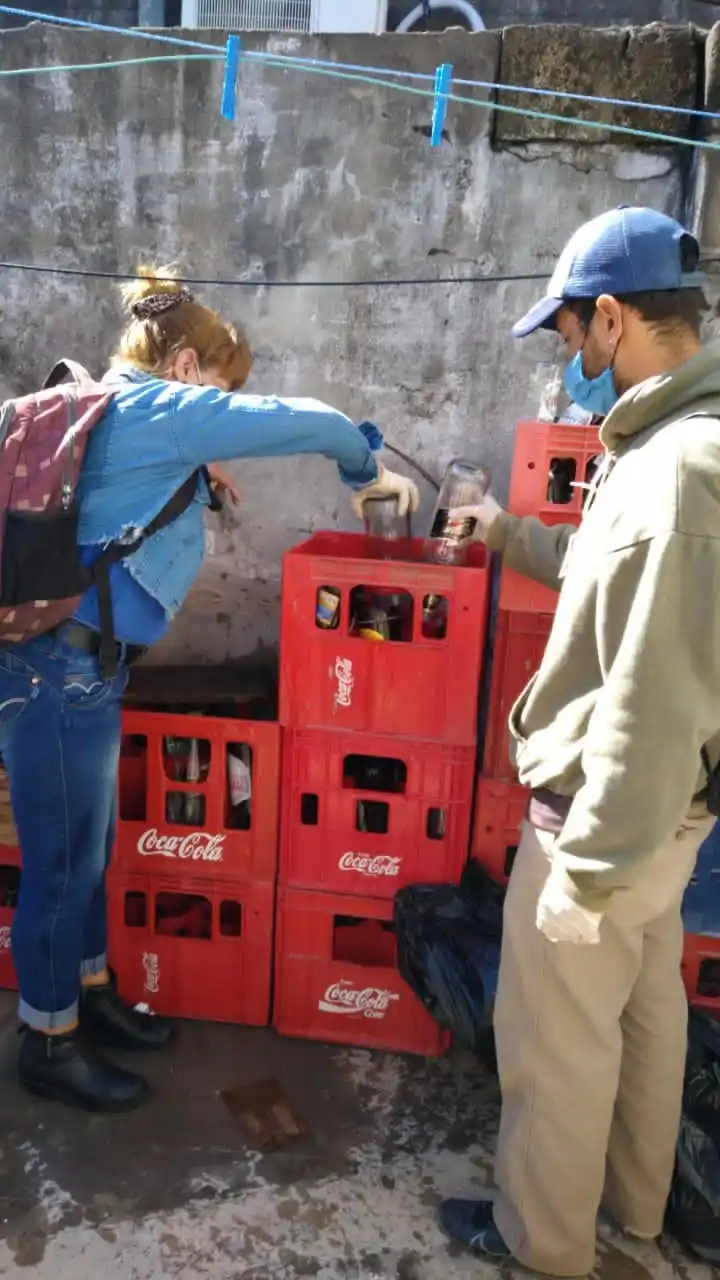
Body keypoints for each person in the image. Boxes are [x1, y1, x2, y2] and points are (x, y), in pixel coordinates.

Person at [1, 266, 418, 1114]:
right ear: (188, 365)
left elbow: (117, 503)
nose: (222, 411)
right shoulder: (162, 409)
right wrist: (364, 469)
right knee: (59, 864)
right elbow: (317, 421)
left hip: (84, 670)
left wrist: (197, 477)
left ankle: (91, 993)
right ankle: (48, 1040)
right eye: (221, 391)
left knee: (91, 854)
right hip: (56, 674)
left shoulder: (124, 410)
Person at [439, 207, 720, 1276]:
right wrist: (510, 534)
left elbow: (651, 695)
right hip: (670, 818)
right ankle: (634, 1219)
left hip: (607, 816)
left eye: (568, 338)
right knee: (648, 1022)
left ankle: (543, 1244)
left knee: (558, 1048)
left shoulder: (676, 473)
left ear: (612, 317)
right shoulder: (674, 445)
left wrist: (584, 872)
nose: (569, 361)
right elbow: (617, 587)